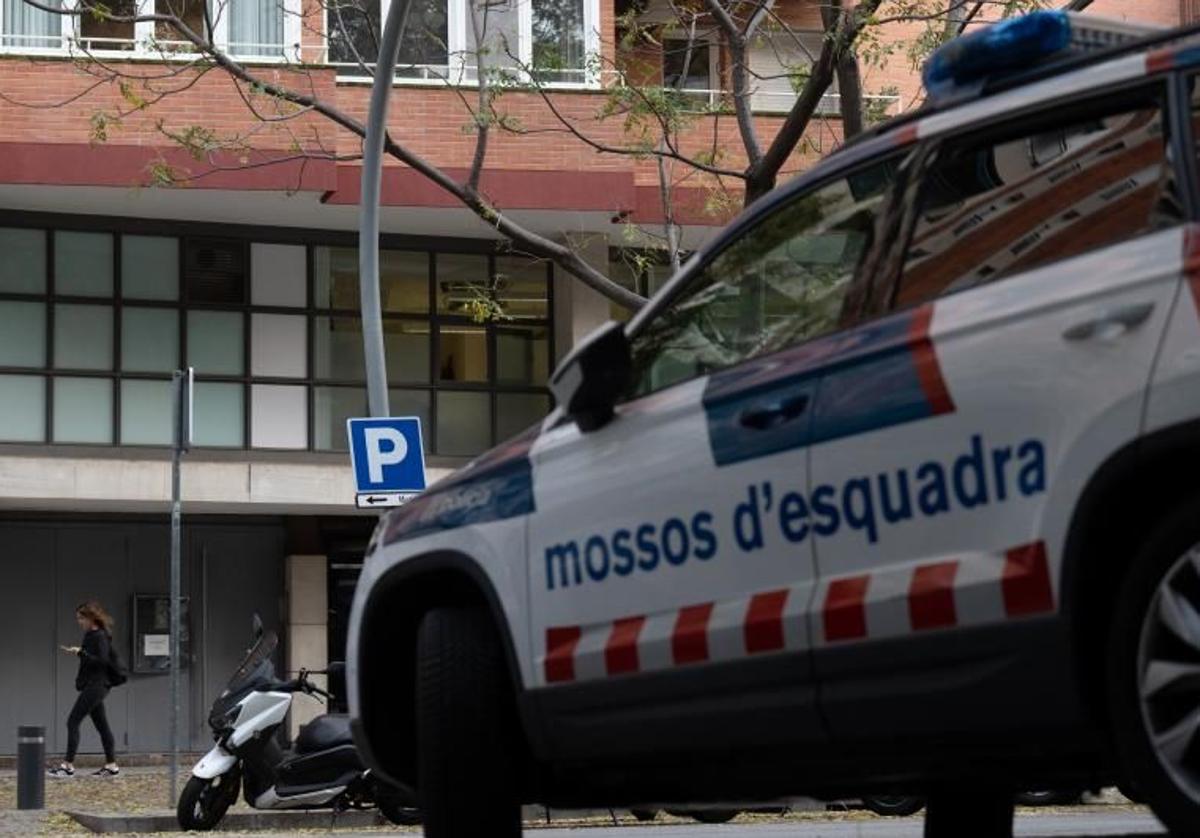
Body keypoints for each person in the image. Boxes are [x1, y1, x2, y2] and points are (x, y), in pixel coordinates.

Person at [47, 602, 121, 778]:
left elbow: (102, 661)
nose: (79, 622)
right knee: (102, 726)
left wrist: (81, 653)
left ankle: (68, 766)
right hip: (94, 685)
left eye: (81, 618)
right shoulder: (91, 635)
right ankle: (112, 766)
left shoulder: (99, 636)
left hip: (97, 685)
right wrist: (80, 652)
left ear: (90, 618)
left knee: (72, 721)